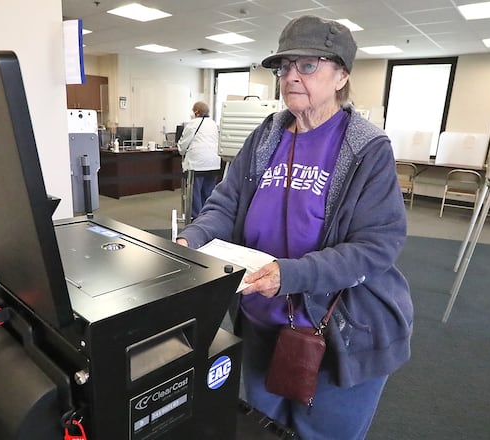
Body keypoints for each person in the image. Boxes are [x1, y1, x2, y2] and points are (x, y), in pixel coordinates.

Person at [176, 15, 412, 440]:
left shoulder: (366, 148)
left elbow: (377, 246)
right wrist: (191, 239)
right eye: (284, 67)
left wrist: (293, 274)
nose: (290, 76)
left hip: (340, 331)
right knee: (261, 428)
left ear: (341, 74)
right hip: (263, 321)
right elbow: (225, 205)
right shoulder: (266, 135)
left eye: (307, 65)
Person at [176, 101, 221, 219]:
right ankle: (208, 217)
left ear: (196, 111)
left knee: (194, 193)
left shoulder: (193, 124)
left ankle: (196, 218)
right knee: (209, 192)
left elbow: (183, 145)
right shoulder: (213, 124)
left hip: (197, 164)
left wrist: (180, 149)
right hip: (213, 163)